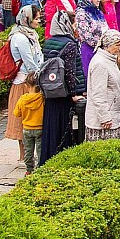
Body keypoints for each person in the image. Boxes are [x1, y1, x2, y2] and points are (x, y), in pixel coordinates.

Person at [40, 11, 87, 165]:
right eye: (74, 24)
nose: (76, 27)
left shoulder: (48, 42)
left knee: (51, 127)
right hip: (65, 95)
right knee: (64, 130)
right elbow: (70, 72)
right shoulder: (70, 44)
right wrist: (74, 94)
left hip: (51, 91)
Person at [6, 7, 44, 162]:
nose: (38, 21)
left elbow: (39, 56)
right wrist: (39, 74)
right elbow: (29, 62)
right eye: (36, 18)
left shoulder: (31, 34)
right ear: (27, 19)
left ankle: (30, 155)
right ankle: (24, 156)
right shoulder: (20, 38)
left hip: (32, 80)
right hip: (24, 83)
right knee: (23, 121)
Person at [85, 29, 120, 141]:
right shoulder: (100, 63)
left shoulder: (109, 60)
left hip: (111, 115)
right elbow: (98, 94)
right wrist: (104, 117)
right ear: (107, 45)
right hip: (103, 122)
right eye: (117, 45)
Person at [74, 0, 109, 77]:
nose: (98, 0)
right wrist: (103, 45)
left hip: (103, 50)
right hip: (90, 51)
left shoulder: (97, 11)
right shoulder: (81, 14)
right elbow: (87, 36)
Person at [13, 74, 44, 174]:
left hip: (27, 129)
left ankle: (29, 170)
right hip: (40, 128)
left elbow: (16, 113)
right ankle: (40, 169)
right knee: (40, 151)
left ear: (26, 85)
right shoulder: (42, 98)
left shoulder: (22, 99)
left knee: (28, 151)